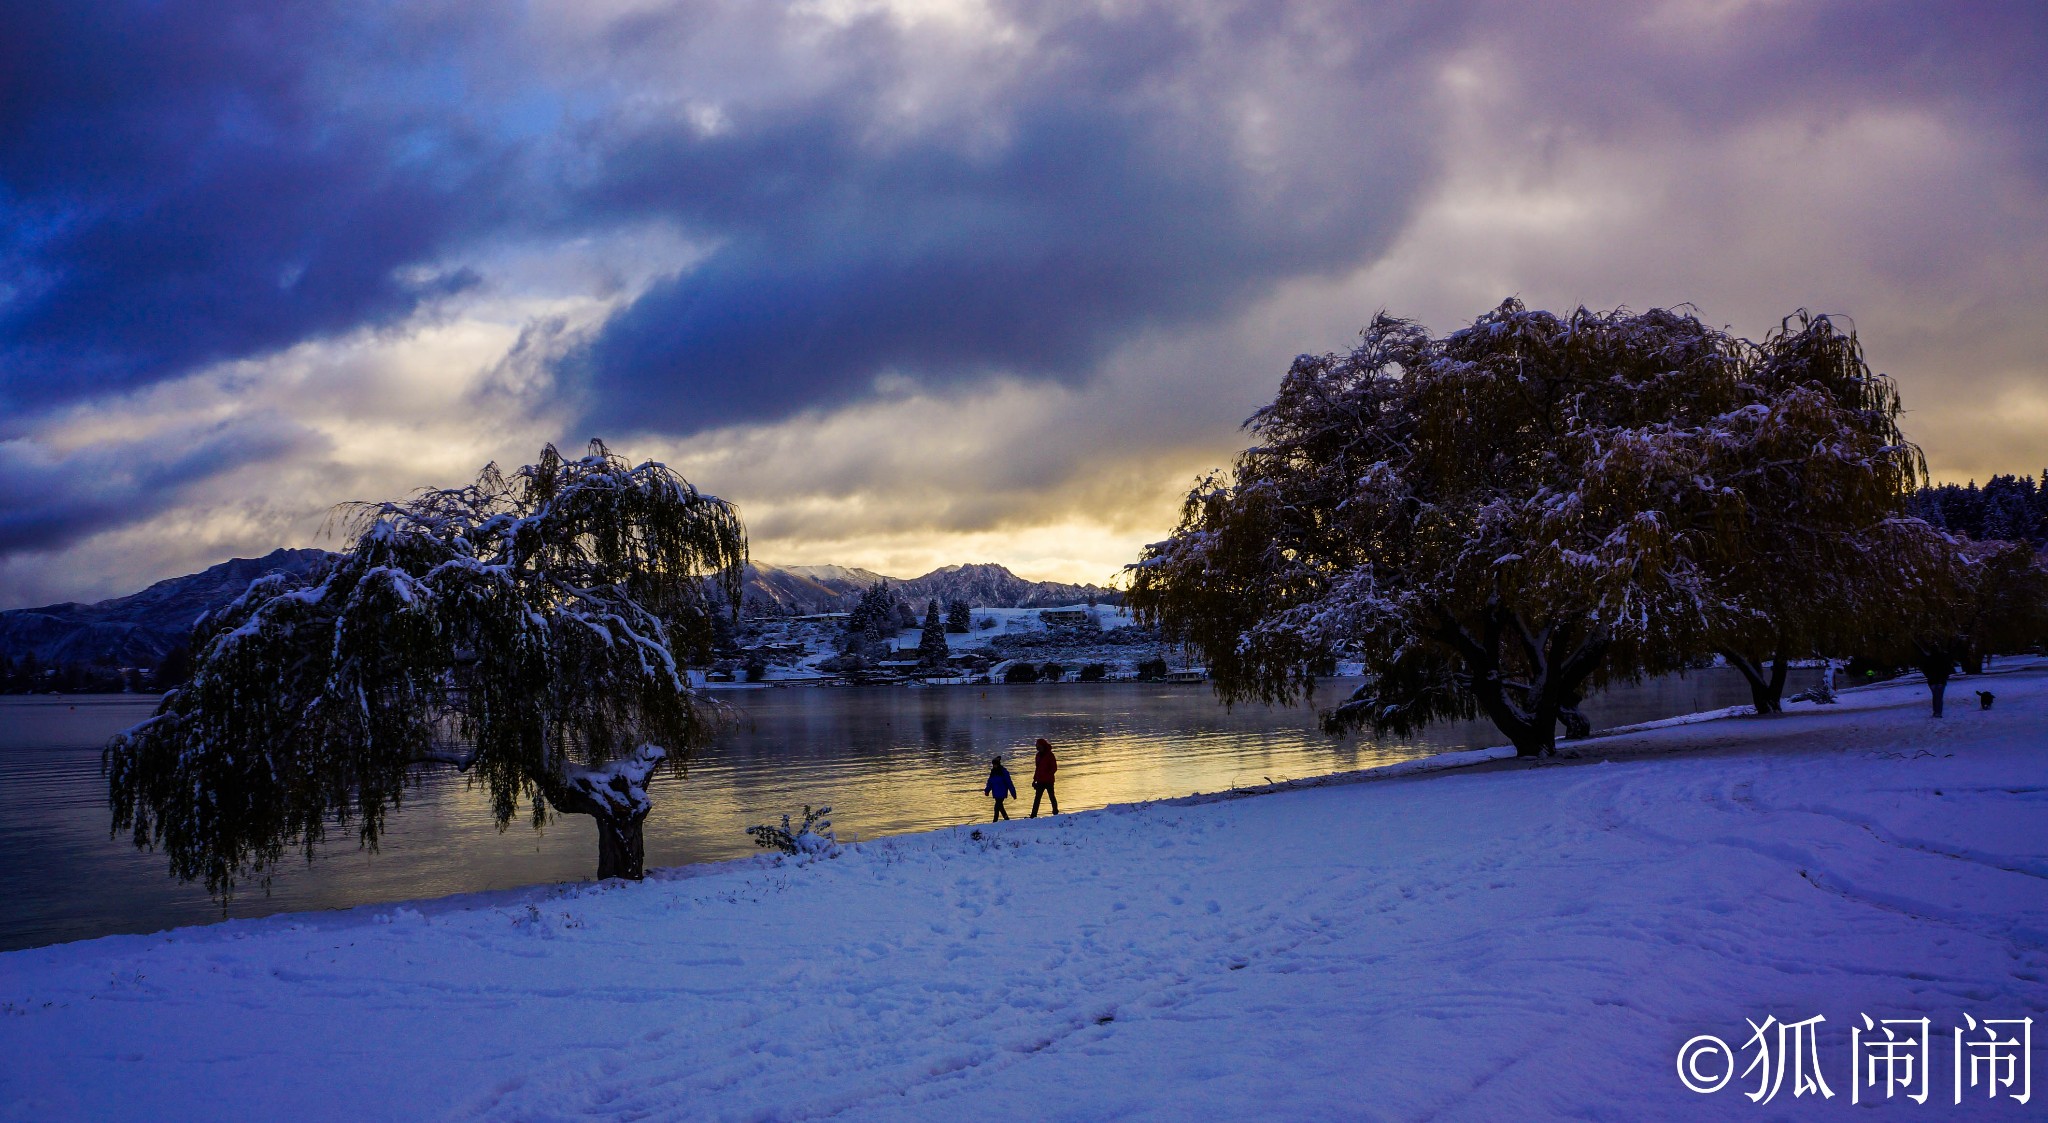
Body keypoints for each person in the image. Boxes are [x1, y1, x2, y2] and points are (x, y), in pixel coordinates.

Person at [1029, 737, 1059, 817]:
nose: (1037, 748)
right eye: (1037, 746)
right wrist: (1034, 779)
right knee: (1037, 799)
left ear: (1043, 746)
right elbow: (1037, 768)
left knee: (1052, 797)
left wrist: (1047, 775)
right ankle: (1033, 815)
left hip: (1049, 780)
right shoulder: (1038, 756)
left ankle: (1055, 812)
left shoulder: (1050, 755)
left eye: (1038, 746)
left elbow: (1054, 768)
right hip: (1040, 781)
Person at [984, 756, 1017, 821]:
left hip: (1002, 792)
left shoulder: (1004, 772)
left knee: (997, 807)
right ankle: (1006, 818)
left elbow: (1009, 783)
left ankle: (995, 821)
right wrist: (987, 790)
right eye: (993, 765)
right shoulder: (993, 772)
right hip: (996, 793)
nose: (994, 766)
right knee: (1000, 807)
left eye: (995, 764)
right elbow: (990, 782)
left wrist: (1013, 793)